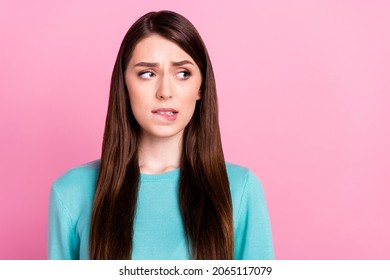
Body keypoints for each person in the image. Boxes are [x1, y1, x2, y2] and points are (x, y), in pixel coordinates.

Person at [48, 10, 274, 260]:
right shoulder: (71, 192)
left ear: (201, 86)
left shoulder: (241, 189)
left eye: (183, 73)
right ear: (124, 85)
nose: (165, 91)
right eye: (147, 73)